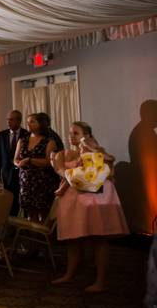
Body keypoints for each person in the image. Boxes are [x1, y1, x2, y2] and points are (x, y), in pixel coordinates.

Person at [51, 121, 129, 292]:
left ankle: (100, 281)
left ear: (86, 135)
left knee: (98, 238)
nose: (71, 136)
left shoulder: (92, 150)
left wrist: (61, 170)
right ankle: (70, 274)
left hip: (94, 198)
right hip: (78, 200)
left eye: (76, 133)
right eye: (70, 133)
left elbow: (86, 178)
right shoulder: (75, 152)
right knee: (74, 239)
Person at [15, 113, 58, 222]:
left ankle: (44, 238)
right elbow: (15, 159)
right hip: (25, 182)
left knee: (44, 214)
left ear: (40, 123)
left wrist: (30, 160)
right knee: (30, 213)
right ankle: (31, 237)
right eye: (28, 121)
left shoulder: (49, 141)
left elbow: (49, 162)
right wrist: (18, 164)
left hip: (42, 182)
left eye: (32, 121)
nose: (28, 124)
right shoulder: (22, 140)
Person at [0, 110, 27, 211]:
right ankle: (10, 222)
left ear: (19, 121)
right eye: (8, 119)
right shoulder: (1, 135)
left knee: (22, 200)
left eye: (11, 120)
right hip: (6, 173)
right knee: (9, 201)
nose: (9, 122)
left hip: (22, 173)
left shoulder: (27, 134)